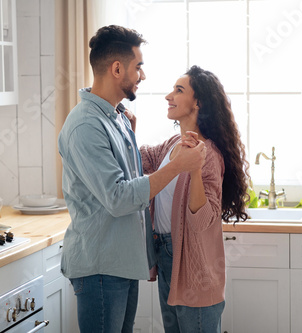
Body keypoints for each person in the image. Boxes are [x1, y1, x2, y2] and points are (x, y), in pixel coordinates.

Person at [58, 25, 206, 333]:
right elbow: (119, 198)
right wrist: (177, 166)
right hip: (99, 268)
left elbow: (131, 182)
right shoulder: (85, 126)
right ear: (116, 69)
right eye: (138, 66)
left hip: (121, 264)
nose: (143, 75)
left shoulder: (116, 118)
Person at [139, 65, 250, 332]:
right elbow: (138, 163)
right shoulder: (170, 146)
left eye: (178, 90)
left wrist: (195, 170)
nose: (169, 96)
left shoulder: (209, 154)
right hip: (166, 256)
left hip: (195, 267)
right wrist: (126, 130)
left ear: (198, 102)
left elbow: (201, 222)